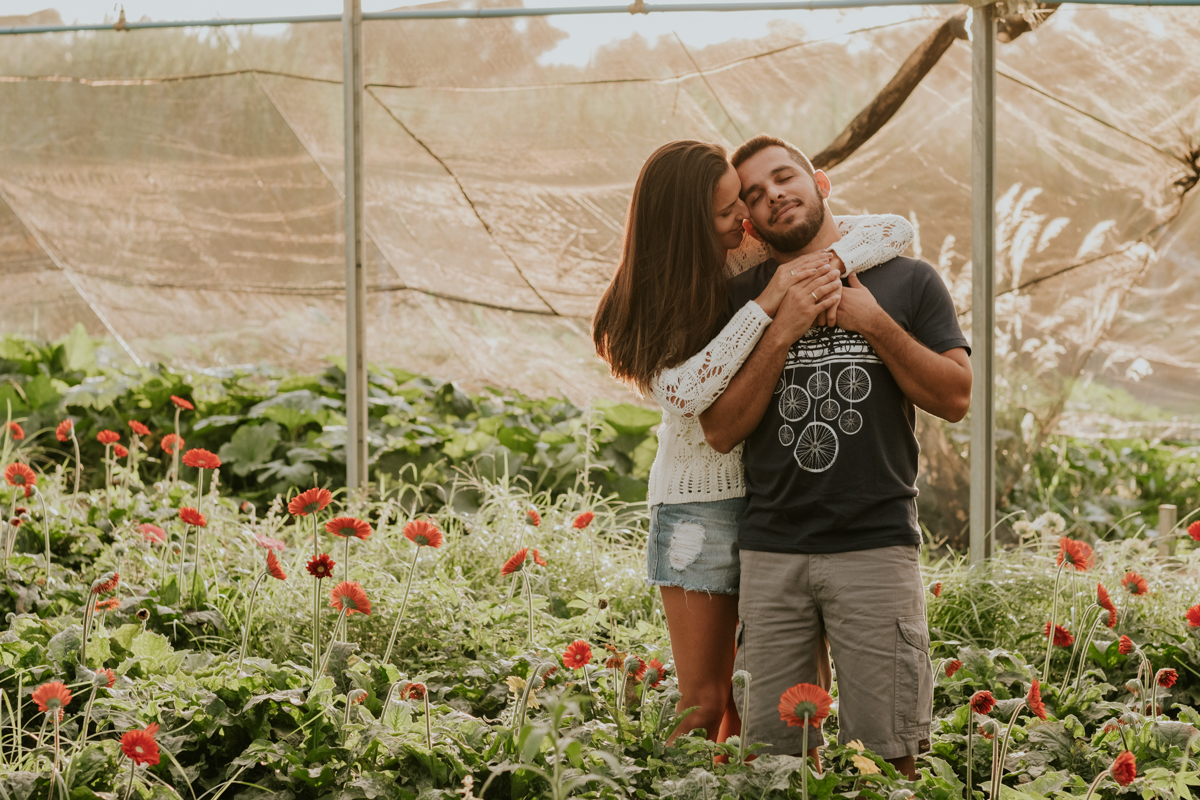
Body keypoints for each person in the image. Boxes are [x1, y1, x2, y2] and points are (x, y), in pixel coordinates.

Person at [592, 139, 914, 743]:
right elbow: (688, 394)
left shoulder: (745, 253)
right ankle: (663, 785)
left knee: (765, 703)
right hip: (698, 508)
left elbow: (893, 229)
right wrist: (771, 305)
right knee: (706, 700)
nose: (744, 218)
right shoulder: (651, 295)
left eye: (741, 202)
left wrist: (807, 269)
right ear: (688, 223)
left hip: (774, 503)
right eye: (726, 210)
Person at [699, 135, 972, 778]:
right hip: (772, 551)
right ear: (749, 220)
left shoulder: (908, 279)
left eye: (784, 178)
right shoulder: (747, 301)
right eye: (756, 196)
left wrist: (872, 321)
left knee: (891, 752)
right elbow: (720, 428)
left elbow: (956, 397)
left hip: (874, 544)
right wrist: (785, 325)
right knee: (773, 759)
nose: (774, 198)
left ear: (819, 182)